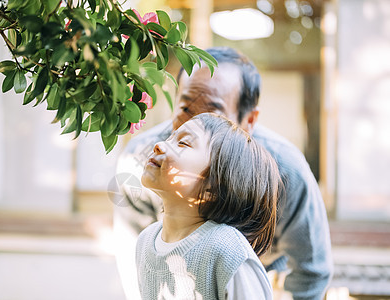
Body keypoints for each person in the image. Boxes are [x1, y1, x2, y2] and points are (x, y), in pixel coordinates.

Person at [114, 47, 333, 300]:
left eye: (212, 114)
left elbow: (311, 270)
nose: (195, 124)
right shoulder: (144, 159)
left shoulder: (285, 171)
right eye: (185, 109)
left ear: (249, 120)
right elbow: (137, 269)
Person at [137, 112, 280, 299]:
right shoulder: (145, 241)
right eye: (169, 138)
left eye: (183, 144)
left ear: (213, 186)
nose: (159, 145)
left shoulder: (228, 251)